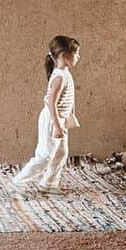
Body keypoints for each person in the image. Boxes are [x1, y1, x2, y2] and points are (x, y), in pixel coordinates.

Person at [13, 35, 81, 193]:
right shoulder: (59, 77)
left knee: (62, 152)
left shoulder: (64, 73)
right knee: (45, 155)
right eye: (76, 53)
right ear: (65, 55)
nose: (78, 57)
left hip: (60, 119)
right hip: (52, 120)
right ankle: (19, 182)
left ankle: (49, 183)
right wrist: (57, 126)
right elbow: (51, 103)